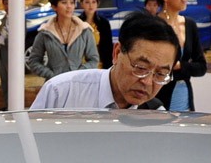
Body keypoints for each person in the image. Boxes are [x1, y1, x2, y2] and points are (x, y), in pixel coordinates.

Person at [30, 11, 178, 110]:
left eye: (160, 74)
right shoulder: (62, 92)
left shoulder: (155, 113)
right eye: (141, 68)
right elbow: (30, 142)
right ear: (117, 53)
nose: (147, 82)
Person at [146, 0, 207, 111]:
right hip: (157, 99)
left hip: (184, 97)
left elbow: (201, 67)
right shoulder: (153, 25)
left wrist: (179, 65)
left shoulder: (190, 24)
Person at [27, 0, 97, 80]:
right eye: (64, 3)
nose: (69, 6)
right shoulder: (45, 32)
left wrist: (78, 74)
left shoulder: (84, 30)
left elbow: (93, 60)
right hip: (54, 83)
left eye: (72, 3)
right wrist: (51, 75)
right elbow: (33, 61)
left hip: (78, 83)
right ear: (54, 7)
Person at [78, 0, 113, 69]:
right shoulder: (76, 22)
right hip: (80, 65)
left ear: (97, 4)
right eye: (87, 2)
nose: (91, 5)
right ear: (81, 4)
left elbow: (108, 48)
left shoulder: (104, 23)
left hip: (99, 64)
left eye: (94, 2)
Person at [0, 0, 9, 110]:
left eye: (9, 3)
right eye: (5, 4)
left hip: (11, 54)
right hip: (2, 53)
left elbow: (21, 37)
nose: (7, 6)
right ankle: (6, 104)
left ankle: (12, 104)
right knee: (4, 80)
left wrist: (5, 41)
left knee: (12, 81)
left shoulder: (19, 18)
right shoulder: (4, 18)